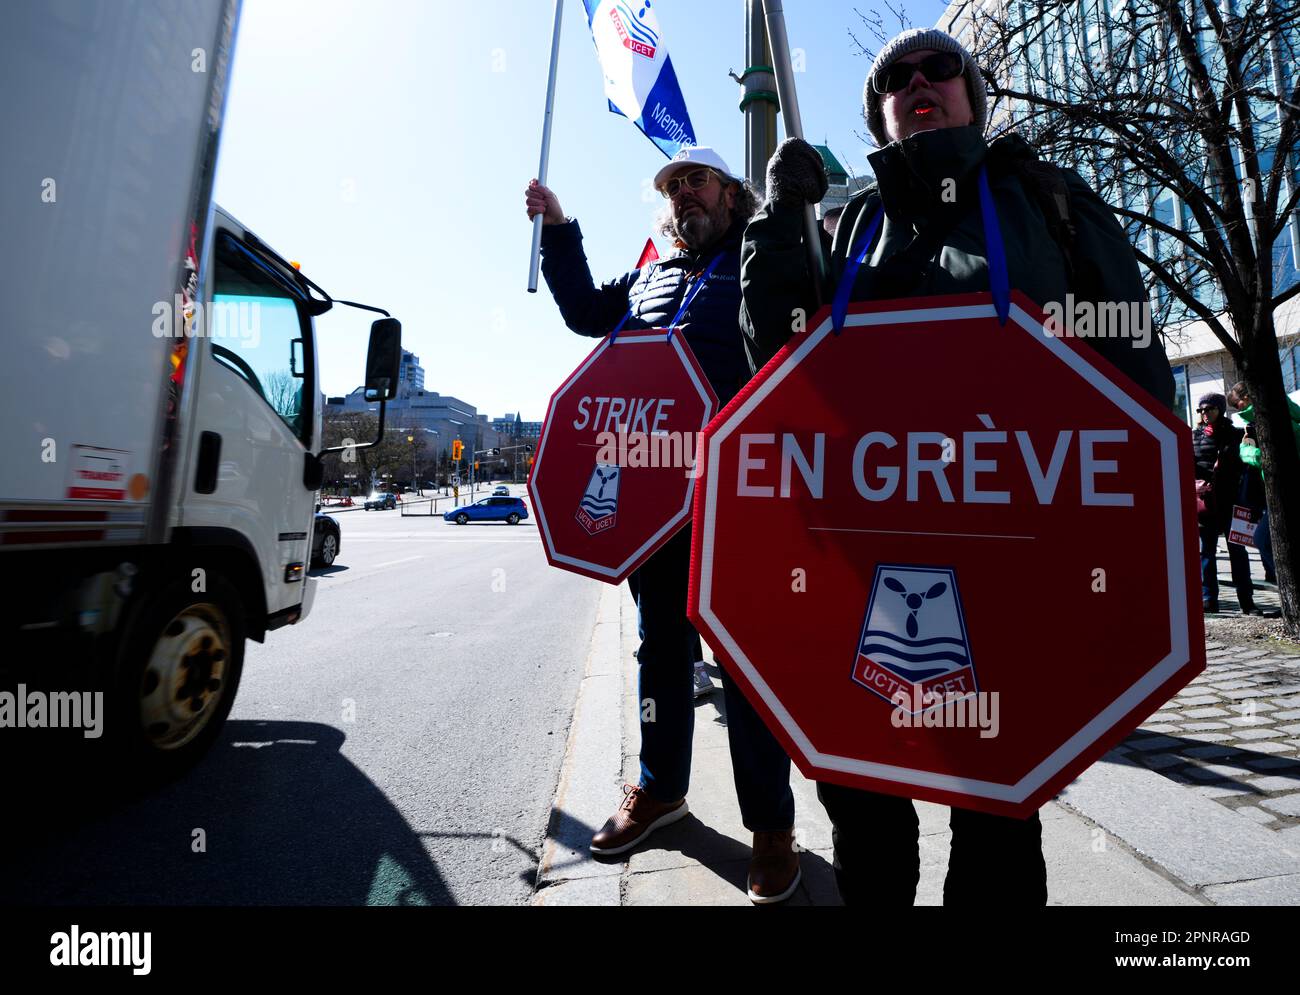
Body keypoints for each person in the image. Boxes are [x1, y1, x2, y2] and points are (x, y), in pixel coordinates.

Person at [738, 27, 1175, 906]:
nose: (919, 81)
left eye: (940, 68)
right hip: (873, 569)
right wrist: (781, 225)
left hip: (1018, 562)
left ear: (971, 92)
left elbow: (1132, 370)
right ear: (881, 110)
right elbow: (777, 375)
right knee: (863, 813)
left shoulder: (1043, 196)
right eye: (897, 77)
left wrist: (1141, 537)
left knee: (1000, 821)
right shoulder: (848, 224)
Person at [525, 147, 800, 902]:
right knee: (660, 652)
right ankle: (659, 789)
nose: (685, 195)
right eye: (674, 187)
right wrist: (559, 229)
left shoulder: (759, 254)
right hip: (657, 506)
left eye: (697, 181)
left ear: (730, 193)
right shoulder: (650, 274)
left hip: (738, 496)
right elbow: (585, 312)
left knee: (743, 663)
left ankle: (771, 827)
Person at [1227, 380, 1300, 585]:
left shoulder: (1261, 421)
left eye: (1237, 405)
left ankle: (1291, 590)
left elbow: (1267, 457)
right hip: (1277, 491)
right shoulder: (1283, 411)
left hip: (1282, 491)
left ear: (1246, 399)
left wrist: (1246, 451)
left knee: (1263, 540)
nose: (1237, 410)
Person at [1193, 393, 1257, 613]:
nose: (1204, 413)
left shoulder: (1235, 434)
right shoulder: (1194, 436)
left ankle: (1246, 600)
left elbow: (1245, 465)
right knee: (1206, 551)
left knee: (1237, 551)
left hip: (1231, 500)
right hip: (1206, 501)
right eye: (1200, 410)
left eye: (1209, 408)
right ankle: (1209, 598)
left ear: (1220, 409)